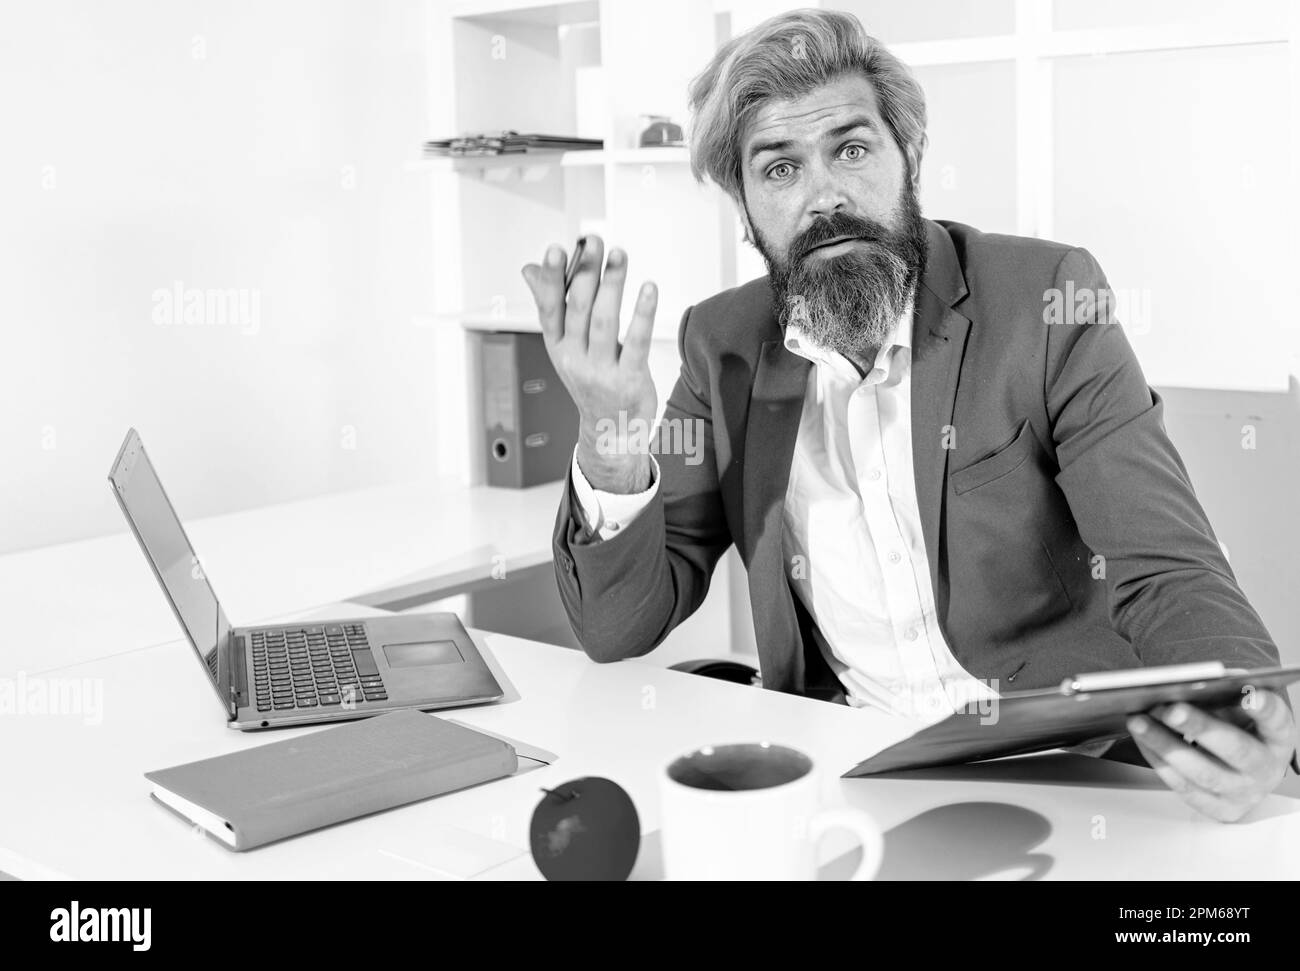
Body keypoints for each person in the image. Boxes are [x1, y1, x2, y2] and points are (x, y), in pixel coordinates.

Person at [520, 8, 1294, 822]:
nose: (824, 196)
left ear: (909, 157)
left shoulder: (1046, 302)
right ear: (744, 210)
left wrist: (1237, 710)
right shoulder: (723, 347)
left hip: (1067, 771)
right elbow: (618, 626)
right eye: (779, 170)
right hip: (854, 775)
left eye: (851, 150)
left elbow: (1166, 568)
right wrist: (610, 437)